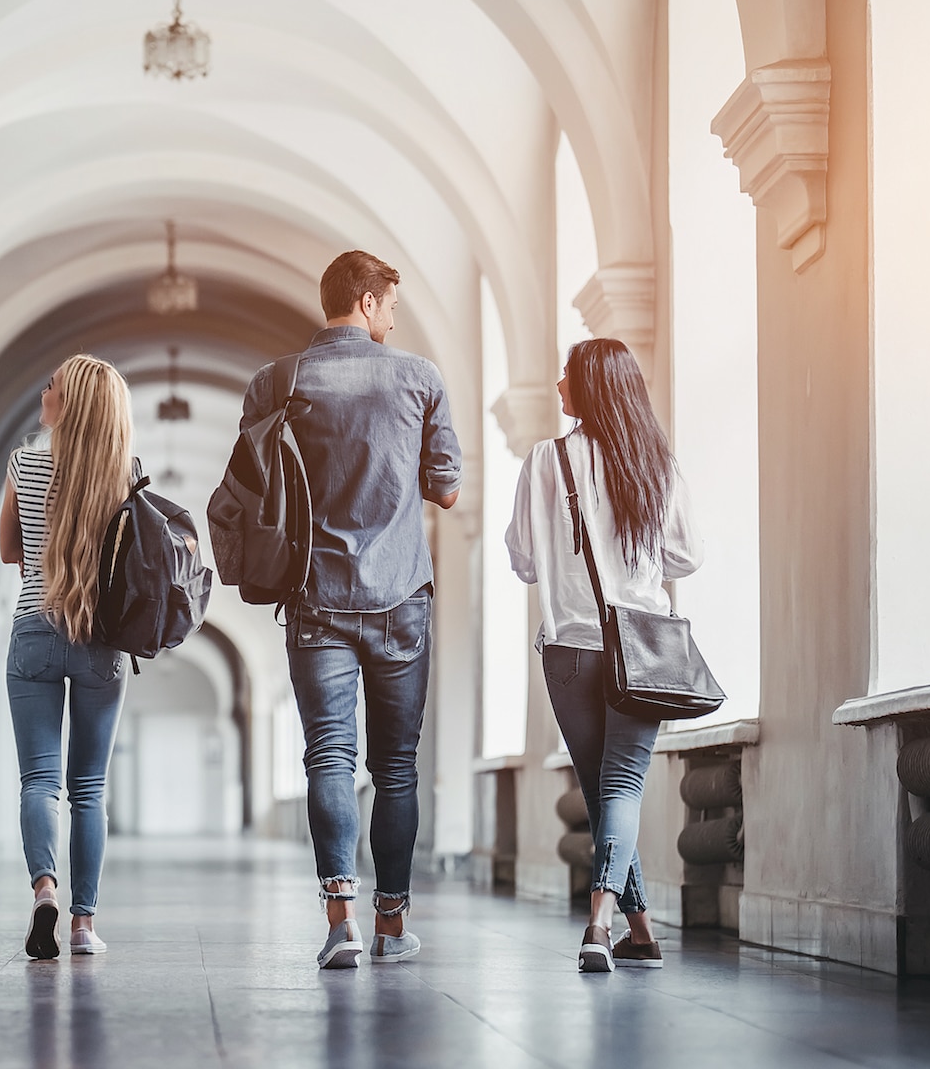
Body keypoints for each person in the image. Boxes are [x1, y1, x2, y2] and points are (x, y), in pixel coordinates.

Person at [237, 251, 463, 969]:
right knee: (395, 768)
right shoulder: (419, 377)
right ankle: (392, 926)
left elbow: (253, 487)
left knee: (327, 757)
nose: (394, 319)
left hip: (315, 598)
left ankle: (342, 923)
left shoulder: (276, 382)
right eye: (390, 305)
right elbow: (448, 489)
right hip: (401, 598)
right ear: (366, 303)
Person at [505, 337, 703, 973]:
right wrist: (635, 559)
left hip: (568, 650)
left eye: (567, 375)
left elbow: (525, 562)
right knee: (615, 790)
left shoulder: (544, 460)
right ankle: (618, 926)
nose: (559, 384)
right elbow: (687, 556)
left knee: (602, 791)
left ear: (591, 387)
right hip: (641, 647)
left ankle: (615, 926)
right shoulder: (655, 463)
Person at [0, 353, 133, 959]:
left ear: (68, 404)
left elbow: (9, 552)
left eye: (50, 385)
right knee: (89, 789)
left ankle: (44, 891)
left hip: (34, 630)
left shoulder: (23, 463)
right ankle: (83, 925)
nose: (42, 390)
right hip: (100, 640)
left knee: (39, 781)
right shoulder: (124, 474)